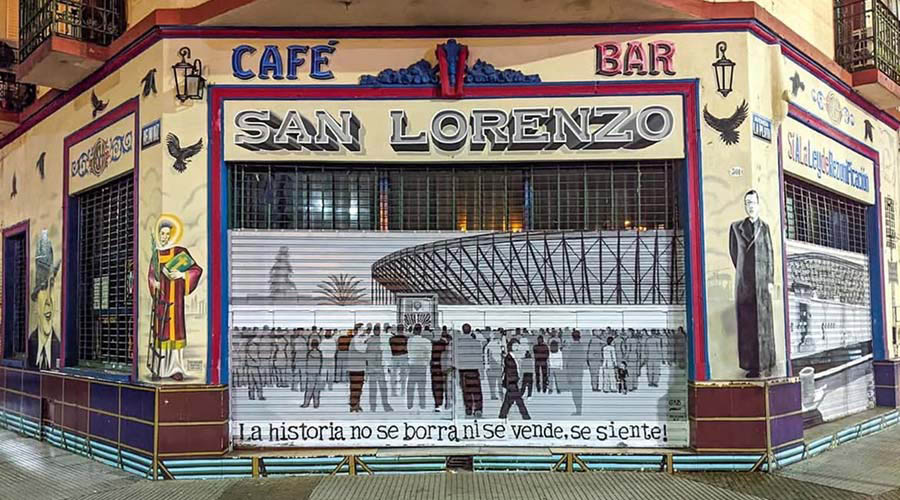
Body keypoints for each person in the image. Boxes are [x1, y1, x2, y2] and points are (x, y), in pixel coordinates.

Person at [148, 216, 203, 381]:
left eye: (167, 234)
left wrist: (181, 274)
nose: (164, 237)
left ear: (172, 235)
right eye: (162, 234)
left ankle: (175, 368)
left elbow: (196, 270)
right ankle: (159, 368)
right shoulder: (156, 255)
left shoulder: (179, 252)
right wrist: (155, 283)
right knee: (161, 332)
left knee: (175, 332)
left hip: (175, 300)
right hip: (161, 300)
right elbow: (151, 275)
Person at [729, 189, 777, 378]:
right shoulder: (735, 227)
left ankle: (767, 362)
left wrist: (770, 279)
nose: (750, 206)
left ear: (758, 205)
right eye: (747, 203)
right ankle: (751, 366)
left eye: (753, 203)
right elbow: (734, 253)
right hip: (745, 284)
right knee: (747, 325)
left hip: (762, 283)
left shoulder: (764, 228)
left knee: (764, 323)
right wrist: (744, 271)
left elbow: (770, 254)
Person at [27, 230, 60, 371]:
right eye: (44, 287)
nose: (48, 300)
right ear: (35, 300)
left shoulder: (60, 348)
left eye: (51, 285)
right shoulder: (29, 345)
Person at [456, 323, 485, 418]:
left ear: (462, 330)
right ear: (470, 330)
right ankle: (478, 409)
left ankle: (468, 409)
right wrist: (481, 372)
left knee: (466, 391)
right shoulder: (476, 343)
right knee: (477, 391)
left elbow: (456, 359)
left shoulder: (458, 343)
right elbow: (480, 358)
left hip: (463, 370)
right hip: (474, 370)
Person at [498, 339, 531, 420]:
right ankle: (526, 417)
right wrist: (514, 381)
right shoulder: (509, 358)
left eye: (518, 346)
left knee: (508, 401)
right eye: (515, 346)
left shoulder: (513, 357)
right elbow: (510, 372)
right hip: (512, 382)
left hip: (512, 382)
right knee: (519, 401)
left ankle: (502, 415)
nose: (517, 347)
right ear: (511, 347)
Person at [366, 323, 393, 412]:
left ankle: (384, 405)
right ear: (374, 331)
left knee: (382, 387)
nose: (377, 331)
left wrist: (388, 365)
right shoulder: (370, 340)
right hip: (372, 367)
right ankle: (374, 406)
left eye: (378, 330)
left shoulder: (382, 340)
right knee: (374, 388)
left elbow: (387, 353)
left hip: (379, 366)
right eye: (376, 330)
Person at [406, 324, 431, 410]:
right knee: (421, 387)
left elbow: (408, 351)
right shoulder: (426, 341)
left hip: (412, 365)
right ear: (421, 331)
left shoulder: (410, 341)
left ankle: (409, 404)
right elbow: (428, 355)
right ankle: (422, 404)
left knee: (410, 386)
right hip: (422, 366)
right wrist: (426, 362)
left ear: (414, 331)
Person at [564, 330, 588, 416]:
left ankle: (578, 410)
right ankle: (579, 409)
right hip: (579, 371)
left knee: (574, 392)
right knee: (579, 391)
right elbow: (583, 359)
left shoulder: (571, 347)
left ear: (572, 337)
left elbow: (568, 361)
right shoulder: (581, 347)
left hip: (572, 371)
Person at [348, 325, 367, 413]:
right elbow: (363, 350)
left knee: (358, 387)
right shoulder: (356, 340)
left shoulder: (359, 340)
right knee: (355, 387)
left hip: (359, 367)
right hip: (355, 368)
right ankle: (353, 405)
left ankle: (357, 404)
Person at [430, 328, 449, 412]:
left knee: (436, 386)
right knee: (443, 386)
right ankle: (445, 403)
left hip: (435, 367)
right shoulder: (445, 343)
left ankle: (438, 404)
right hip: (443, 366)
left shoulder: (432, 343)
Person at [301, 338, 323, 408]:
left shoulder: (318, 352)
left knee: (314, 389)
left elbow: (320, 363)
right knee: (311, 389)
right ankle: (308, 403)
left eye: (315, 344)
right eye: (313, 344)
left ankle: (314, 404)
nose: (314, 346)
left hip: (316, 372)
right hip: (311, 372)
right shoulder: (310, 352)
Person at [390, 324, 409, 396]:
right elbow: (407, 348)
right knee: (403, 375)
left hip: (394, 356)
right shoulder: (406, 338)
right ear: (403, 329)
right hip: (404, 356)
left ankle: (393, 392)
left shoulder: (391, 338)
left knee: (393, 375)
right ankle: (402, 392)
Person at [484, 331, 504, 400]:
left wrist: (487, 365)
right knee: (499, 382)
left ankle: (493, 395)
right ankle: (500, 395)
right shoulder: (498, 344)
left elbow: (486, 356)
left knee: (493, 382)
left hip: (493, 365)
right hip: (496, 365)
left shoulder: (489, 345)